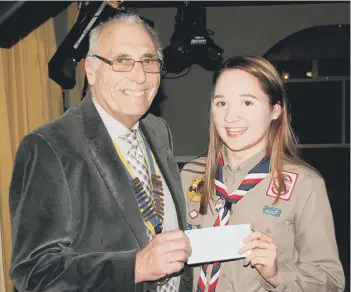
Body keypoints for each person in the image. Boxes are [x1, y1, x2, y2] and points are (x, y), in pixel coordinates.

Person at [9, 13, 192, 292]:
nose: (140, 76)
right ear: (91, 70)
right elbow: (35, 274)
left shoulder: (158, 130)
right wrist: (135, 267)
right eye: (121, 61)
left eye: (148, 60)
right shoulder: (49, 147)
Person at [181, 56, 345, 292]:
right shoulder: (190, 175)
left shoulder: (305, 184)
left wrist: (278, 275)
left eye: (247, 103)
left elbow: (331, 282)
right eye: (221, 103)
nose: (230, 117)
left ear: (275, 110)